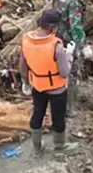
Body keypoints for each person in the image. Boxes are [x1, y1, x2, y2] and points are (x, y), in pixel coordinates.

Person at [20, 9, 79, 155]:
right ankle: (60, 146)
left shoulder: (26, 40)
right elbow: (64, 72)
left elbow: (23, 65)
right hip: (57, 89)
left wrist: (25, 82)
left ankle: (37, 146)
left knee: (37, 114)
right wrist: (69, 55)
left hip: (37, 85)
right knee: (58, 117)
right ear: (53, 27)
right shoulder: (56, 46)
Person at [52, 0, 93, 106]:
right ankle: (70, 106)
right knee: (71, 72)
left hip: (56, 36)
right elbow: (75, 26)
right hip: (68, 41)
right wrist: (83, 46)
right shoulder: (74, 2)